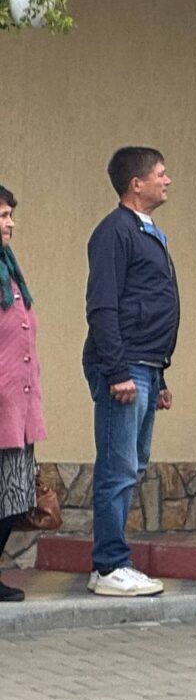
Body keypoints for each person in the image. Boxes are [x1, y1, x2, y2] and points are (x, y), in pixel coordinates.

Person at [83, 146, 179, 597]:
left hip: (146, 366)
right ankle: (109, 566)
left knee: (132, 465)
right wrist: (118, 370)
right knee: (118, 467)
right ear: (136, 184)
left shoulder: (148, 232)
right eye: (161, 174)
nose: (167, 180)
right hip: (124, 368)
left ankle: (113, 562)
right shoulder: (114, 232)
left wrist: (159, 376)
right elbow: (102, 307)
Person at [0, 184, 43, 602]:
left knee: (13, 496)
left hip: (17, 404)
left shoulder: (9, 269)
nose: (10, 223)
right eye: (2, 215)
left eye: (10, 214)